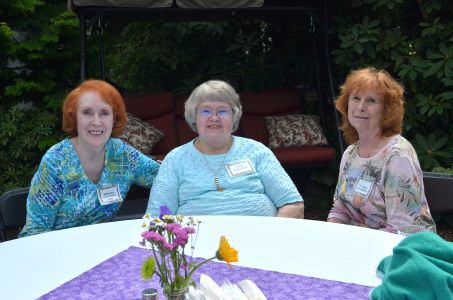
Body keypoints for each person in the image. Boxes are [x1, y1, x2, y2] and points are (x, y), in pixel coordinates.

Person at [19, 80, 160, 237]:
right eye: (87, 113)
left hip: (101, 247)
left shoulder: (122, 154)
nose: (96, 122)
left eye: (104, 113)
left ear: (114, 119)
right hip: (54, 251)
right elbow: (36, 232)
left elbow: (168, 178)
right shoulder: (56, 161)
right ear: (74, 117)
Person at [146, 80, 304, 218]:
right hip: (196, 246)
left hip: (258, 241)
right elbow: (157, 218)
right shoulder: (175, 159)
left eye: (222, 111)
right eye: (206, 111)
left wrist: (271, 237)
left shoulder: (256, 151)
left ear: (234, 116)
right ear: (194, 117)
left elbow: (293, 206)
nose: (214, 118)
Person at [327, 67, 436, 233]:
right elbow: (340, 209)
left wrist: (353, 240)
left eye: (371, 101)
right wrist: (330, 235)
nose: (361, 106)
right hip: (356, 245)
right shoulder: (350, 154)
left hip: (400, 251)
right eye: (356, 98)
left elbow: (402, 230)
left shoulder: (398, 156)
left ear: (387, 110)